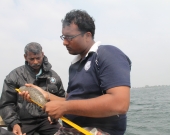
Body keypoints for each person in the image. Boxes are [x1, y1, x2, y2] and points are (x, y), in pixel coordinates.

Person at [20, 9, 131, 135]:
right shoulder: (75, 65)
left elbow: (120, 103)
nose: (64, 42)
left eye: (69, 37)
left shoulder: (107, 54)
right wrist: (46, 95)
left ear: (88, 35)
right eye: (63, 37)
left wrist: (64, 107)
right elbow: (70, 101)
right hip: (69, 130)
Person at [0, 42, 65, 135]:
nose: (35, 62)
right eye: (32, 59)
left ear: (42, 54)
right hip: (23, 121)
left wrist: (54, 115)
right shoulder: (13, 76)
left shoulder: (54, 76)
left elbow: (61, 99)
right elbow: (6, 104)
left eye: (38, 58)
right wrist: (14, 123)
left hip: (46, 120)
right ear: (25, 57)